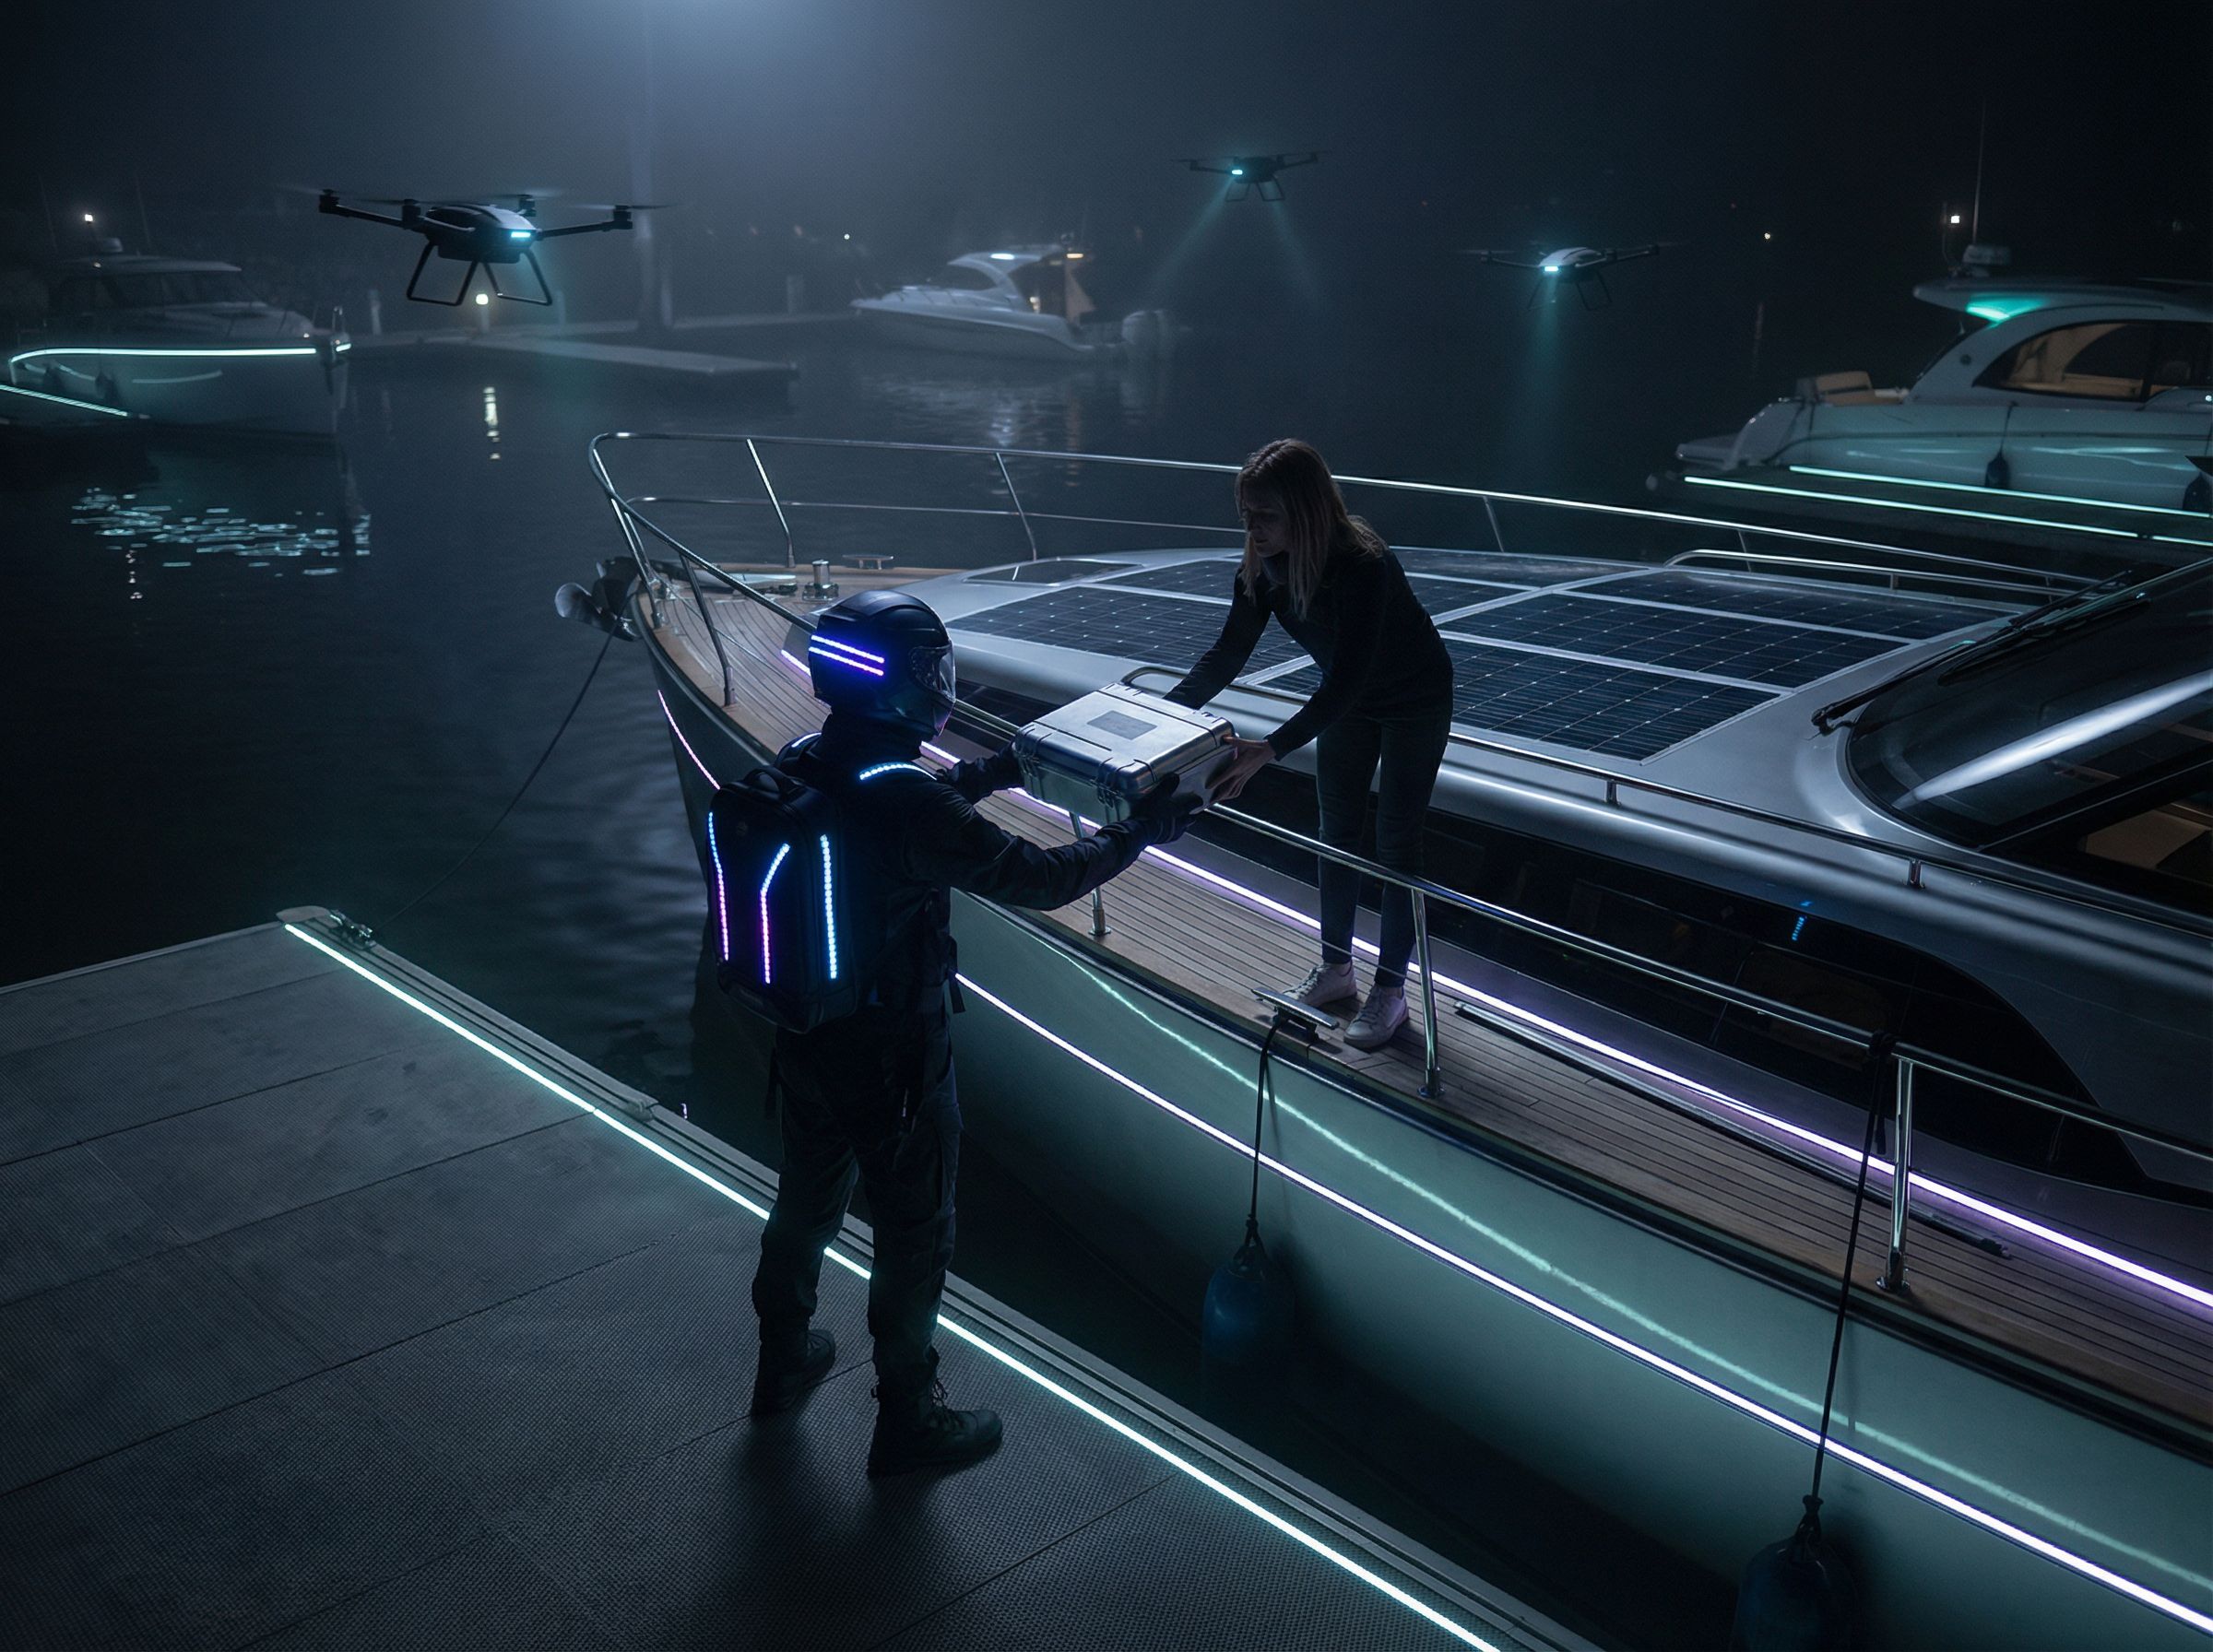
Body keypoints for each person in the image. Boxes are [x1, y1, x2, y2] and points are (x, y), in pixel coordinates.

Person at [749, 589, 1195, 1477]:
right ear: (908, 682)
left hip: (807, 1031)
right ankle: (908, 1419)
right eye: (929, 670)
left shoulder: (806, 757)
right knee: (916, 1232)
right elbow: (1038, 876)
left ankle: (780, 1363)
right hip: (898, 1055)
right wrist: (1143, 831)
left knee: (805, 1200)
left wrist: (989, 774)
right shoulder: (906, 798)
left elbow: (896, 802)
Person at [1165, 439, 1454, 1051]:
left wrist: (1271, 747)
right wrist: (1159, 716)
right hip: (1348, 700)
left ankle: (1391, 992)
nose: (1252, 528)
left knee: (1397, 846)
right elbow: (1227, 655)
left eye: (1264, 515)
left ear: (1305, 509)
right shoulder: (1259, 567)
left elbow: (1349, 676)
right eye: (1245, 514)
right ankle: (1334, 969)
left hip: (1413, 700)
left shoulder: (1363, 565)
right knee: (1336, 832)